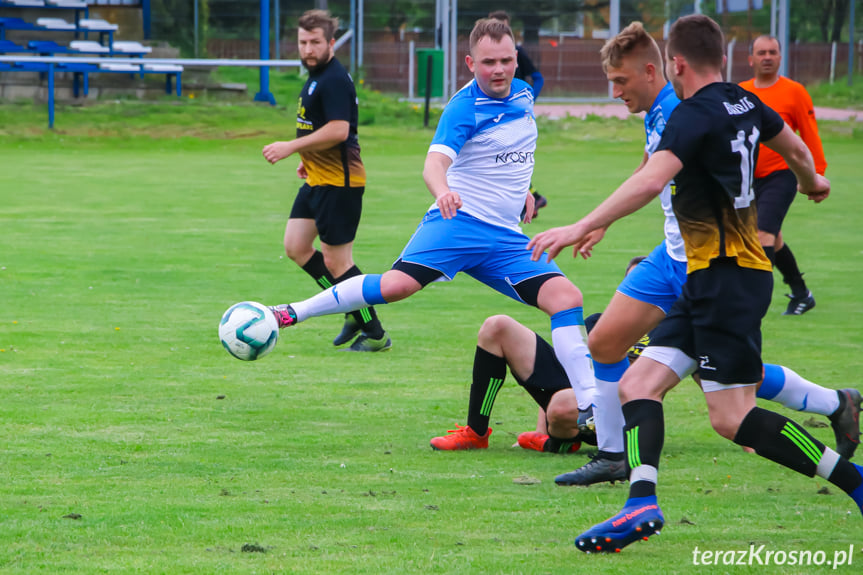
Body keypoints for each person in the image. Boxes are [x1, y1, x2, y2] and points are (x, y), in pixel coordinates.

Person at [528, 14, 862, 553]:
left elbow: (652, 179)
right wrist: (813, 182)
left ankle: (857, 481)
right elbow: (797, 151)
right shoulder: (746, 102)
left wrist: (581, 224)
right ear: (724, 57)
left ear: (675, 64)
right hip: (710, 276)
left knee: (732, 418)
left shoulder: (688, 115)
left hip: (727, 278)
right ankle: (639, 503)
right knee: (639, 384)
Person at [265, 18, 597, 440]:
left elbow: (514, 150)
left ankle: (591, 405)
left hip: (504, 237)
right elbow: (434, 162)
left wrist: (525, 192)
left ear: (517, 59)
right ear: (470, 62)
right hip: (458, 224)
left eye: (507, 60)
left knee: (566, 297)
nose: (499, 69)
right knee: (397, 286)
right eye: (489, 62)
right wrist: (442, 191)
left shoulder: (524, 93)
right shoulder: (464, 107)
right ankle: (293, 312)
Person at [261, 9, 391, 352]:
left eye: (315, 42)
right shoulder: (315, 76)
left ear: (331, 43)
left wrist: (291, 147)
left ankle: (373, 331)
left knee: (337, 262)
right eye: (303, 42)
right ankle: (348, 305)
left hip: (340, 184)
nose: (307, 49)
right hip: (318, 177)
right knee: (297, 247)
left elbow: (338, 130)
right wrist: (307, 159)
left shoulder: (333, 78)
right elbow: (318, 129)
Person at [740, 35, 827, 316]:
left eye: (773, 52)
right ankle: (802, 293)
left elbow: (808, 136)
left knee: (762, 233)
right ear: (750, 59)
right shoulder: (740, 93)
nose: (767, 57)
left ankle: (751, 303)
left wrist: (815, 177)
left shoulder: (795, 92)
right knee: (772, 236)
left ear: (780, 57)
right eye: (761, 52)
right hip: (748, 179)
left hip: (783, 174)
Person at [429, 314, 583, 454]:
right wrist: (540, 431)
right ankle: (475, 433)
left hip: (599, 410)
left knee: (563, 405)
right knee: (497, 326)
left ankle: (558, 444)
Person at [488, 10, 548, 218]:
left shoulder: (518, 52)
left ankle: (529, 197)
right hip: (497, 116)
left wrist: (529, 104)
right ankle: (530, 197)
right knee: (502, 158)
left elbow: (538, 78)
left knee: (510, 158)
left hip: (515, 118)